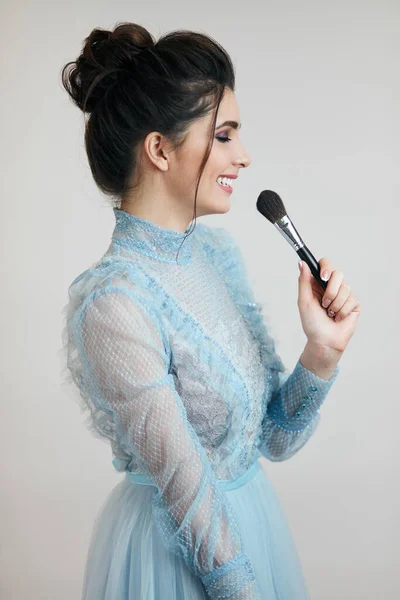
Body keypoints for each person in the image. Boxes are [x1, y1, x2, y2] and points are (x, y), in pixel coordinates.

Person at [60, 22, 361, 600]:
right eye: (224, 136)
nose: (244, 157)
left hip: (253, 528)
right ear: (159, 150)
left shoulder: (216, 256)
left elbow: (274, 437)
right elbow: (188, 492)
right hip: (181, 564)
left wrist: (323, 350)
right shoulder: (115, 304)